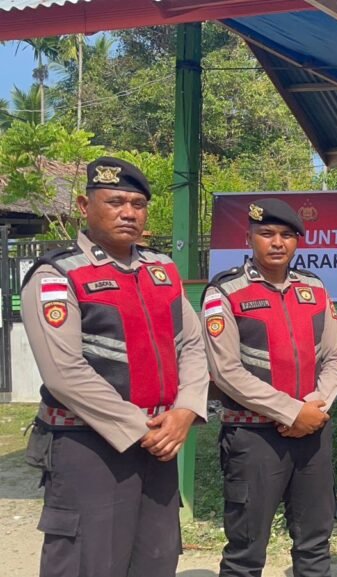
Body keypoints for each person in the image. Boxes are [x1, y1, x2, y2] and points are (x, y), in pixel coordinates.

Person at [21, 156, 209, 577]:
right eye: (115, 202)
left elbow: (192, 345)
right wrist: (142, 429)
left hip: (159, 444)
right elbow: (64, 373)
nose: (129, 213)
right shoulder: (57, 275)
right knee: (89, 562)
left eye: (138, 204)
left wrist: (185, 410)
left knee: (156, 559)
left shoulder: (162, 270)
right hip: (89, 445)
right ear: (84, 207)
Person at [203, 198, 337, 577]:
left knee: (315, 544)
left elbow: (336, 356)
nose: (278, 242)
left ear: (297, 241)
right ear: (248, 237)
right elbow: (226, 371)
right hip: (253, 438)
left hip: (312, 435)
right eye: (267, 234)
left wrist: (315, 406)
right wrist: (291, 412)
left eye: (287, 235)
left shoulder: (313, 288)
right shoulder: (225, 292)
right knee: (246, 551)